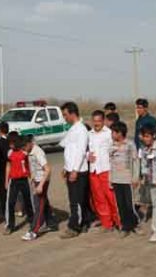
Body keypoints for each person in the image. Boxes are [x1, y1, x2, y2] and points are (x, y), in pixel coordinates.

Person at [59, 102, 92, 239]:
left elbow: (80, 152)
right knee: (78, 199)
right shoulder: (73, 129)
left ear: (72, 113)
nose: (64, 117)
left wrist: (74, 170)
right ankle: (84, 222)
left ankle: (74, 227)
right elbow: (68, 149)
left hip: (77, 171)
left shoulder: (81, 130)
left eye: (65, 115)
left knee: (76, 200)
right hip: (71, 169)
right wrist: (66, 167)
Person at [87, 110, 120, 233]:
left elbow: (117, 148)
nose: (96, 124)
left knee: (111, 197)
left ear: (104, 121)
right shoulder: (89, 134)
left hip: (106, 169)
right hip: (94, 170)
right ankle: (107, 224)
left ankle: (119, 222)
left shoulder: (109, 133)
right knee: (99, 198)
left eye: (99, 121)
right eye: (94, 121)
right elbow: (85, 150)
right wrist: (87, 156)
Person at [109, 121, 140, 237]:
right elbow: (110, 163)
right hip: (116, 179)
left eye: (113, 132)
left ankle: (135, 225)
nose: (112, 134)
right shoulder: (111, 146)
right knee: (120, 205)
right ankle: (125, 227)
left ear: (120, 133)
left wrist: (135, 177)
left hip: (127, 179)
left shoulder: (130, 144)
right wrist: (110, 179)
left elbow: (135, 161)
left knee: (129, 204)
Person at [24, 134, 56, 240]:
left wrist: (41, 185)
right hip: (37, 179)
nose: (24, 150)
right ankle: (51, 223)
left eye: (24, 147)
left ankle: (34, 230)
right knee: (43, 203)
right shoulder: (29, 152)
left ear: (29, 143)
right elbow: (34, 167)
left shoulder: (38, 152)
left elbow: (47, 169)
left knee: (39, 205)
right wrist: (32, 178)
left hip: (42, 180)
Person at [5, 135, 33, 235]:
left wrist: (31, 177)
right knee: (10, 203)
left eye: (12, 143)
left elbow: (29, 165)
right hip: (14, 180)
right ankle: (10, 225)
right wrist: (6, 180)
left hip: (24, 179)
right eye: (9, 143)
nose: (10, 145)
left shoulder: (24, 152)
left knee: (28, 201)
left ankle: (32, 221)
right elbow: (8, 166)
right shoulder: (10, 153)